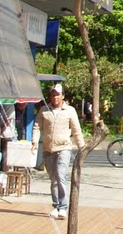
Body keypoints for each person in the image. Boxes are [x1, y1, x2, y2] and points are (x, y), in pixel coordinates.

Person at [32, 84, 85, 219]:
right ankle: (55, 205)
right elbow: (37, 126)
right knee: (53, 178)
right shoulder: (44, 110)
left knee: (61, 176)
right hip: (48, 149)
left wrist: (82, 147)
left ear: (63, 96)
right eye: (53, 94)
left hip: (64, 148)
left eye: (58, 94)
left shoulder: (70, 110)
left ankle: (63, 207)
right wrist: (34, 142)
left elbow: (76, 129)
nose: (55, 97)